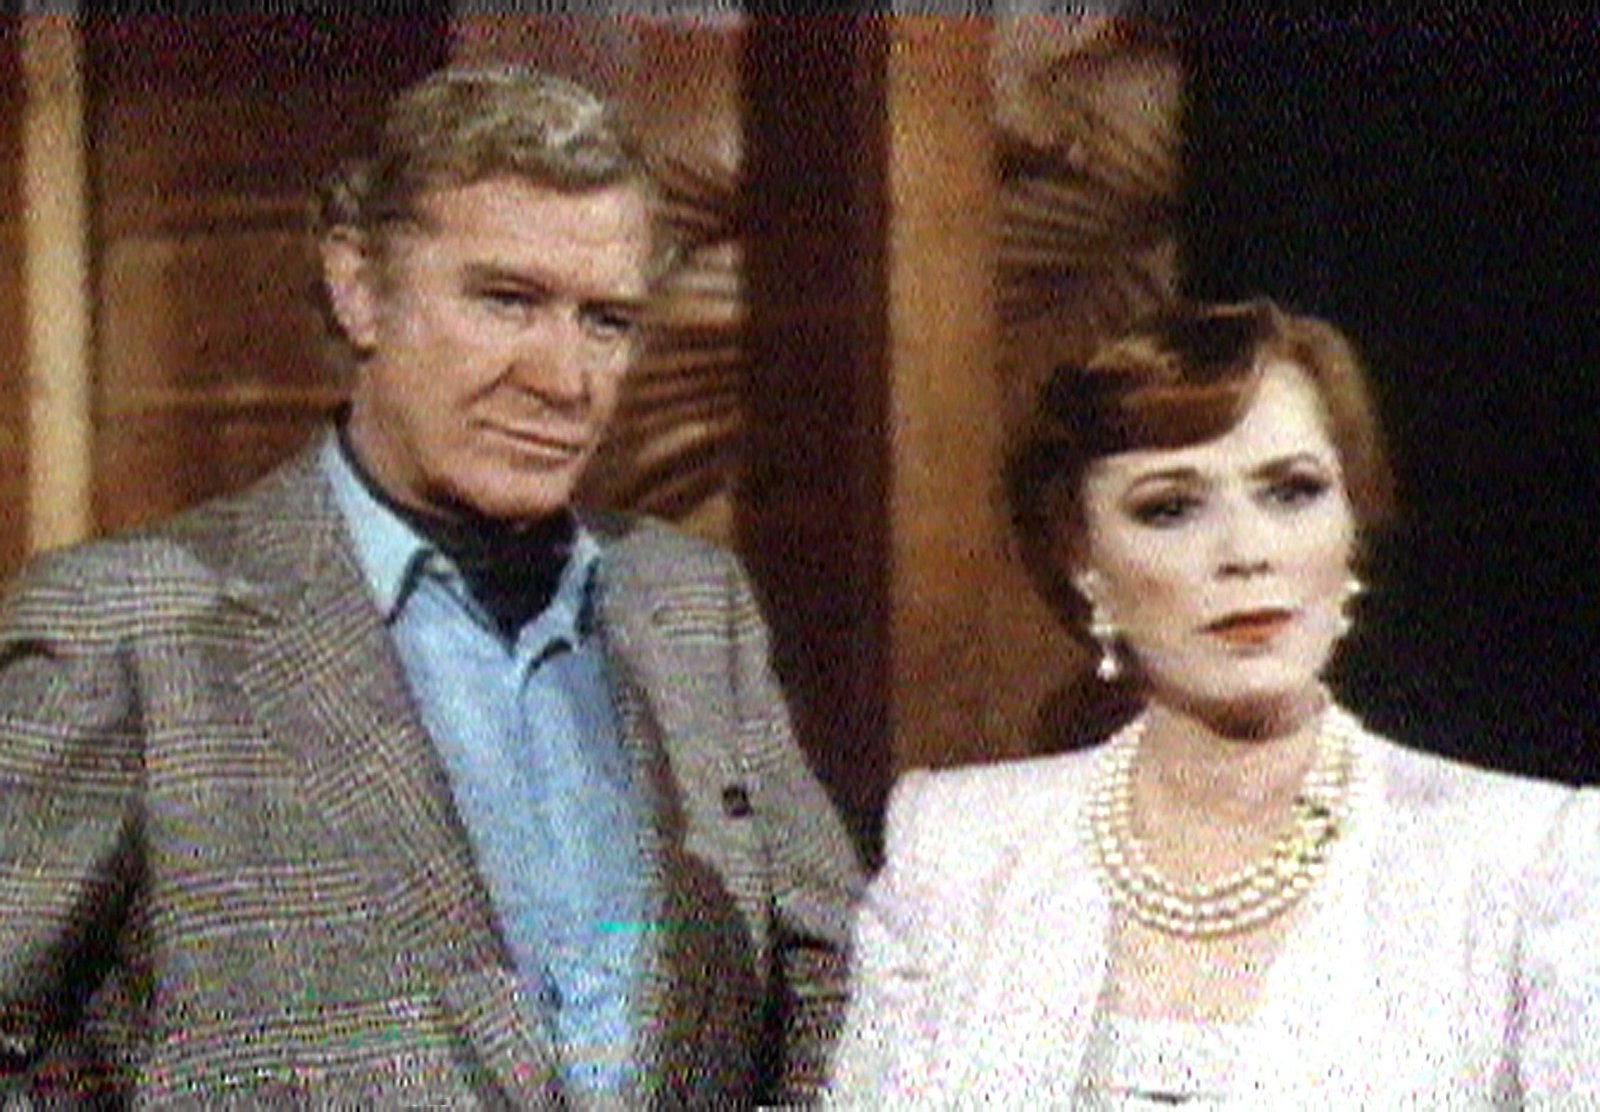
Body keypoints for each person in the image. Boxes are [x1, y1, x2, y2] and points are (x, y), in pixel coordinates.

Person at [0, 65, 862, 1106]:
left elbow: (836, 984)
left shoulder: (687, 605)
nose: (564, 380)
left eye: (606, 321)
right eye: (506, 301)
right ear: (358, 288)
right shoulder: (133, 624)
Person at [828, 299, 1599, 1106]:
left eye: (1292, 492)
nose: (1245, 552)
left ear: (1352, 527)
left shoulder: (1528, 865)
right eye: (1169, 508)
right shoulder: (956, 852)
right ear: (1080, 557)